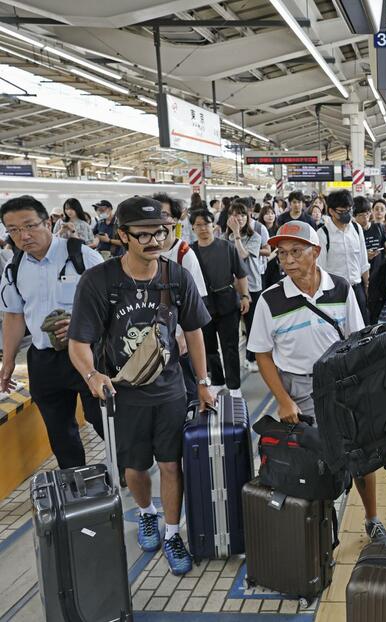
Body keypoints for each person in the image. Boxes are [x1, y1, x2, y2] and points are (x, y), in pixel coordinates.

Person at [68, 196, 213, 577]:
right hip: (122, 394)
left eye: (161, 232)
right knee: (135, 467)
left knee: (170, 463)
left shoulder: (175, 276)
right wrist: (92, 376)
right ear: (122, 236)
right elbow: (78, 342)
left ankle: (170, 531)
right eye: (143, 234)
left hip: (170, 391)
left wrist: (202, 381)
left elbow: (195, 331)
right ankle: (145, 513)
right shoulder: (99, 281)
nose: (154, 241)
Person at [247, 220, 386, 545]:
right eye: (282, 254)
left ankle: (371, 519)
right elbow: (263, 354)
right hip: (298, 390)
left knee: (360, 455)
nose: (287, 260)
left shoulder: (341, 289)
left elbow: (357, 341)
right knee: (314, 461)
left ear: (316, 252)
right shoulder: (270, 300)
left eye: (296, 252)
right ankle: (321, 525)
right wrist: (284, 400)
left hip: (341, 387)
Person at [0, 195, 105, 468]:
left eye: (30, 226)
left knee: (102, 418)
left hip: (87, 354)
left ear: (48, 222)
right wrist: (8, 362)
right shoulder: (14, 268)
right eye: (13, 230)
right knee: (60, 430)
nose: (23, 236)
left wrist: (83, 323)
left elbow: (112, 304)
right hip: (44, 359)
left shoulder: (82, 256)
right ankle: (77, 488)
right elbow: (14, 315)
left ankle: (132, 469)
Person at [155, 193, 208, 404]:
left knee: (186, 392)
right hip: (151, 342)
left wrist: (183, 336)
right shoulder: (144, 252)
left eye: (165, 215)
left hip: (178, 340)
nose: (159, 220)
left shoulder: (184, 254)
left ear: (175, 221)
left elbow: (197, 302)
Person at [190, 210, 250, 398]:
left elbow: (240, 274)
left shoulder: (227, 247)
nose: (203, 229)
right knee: (208, 347)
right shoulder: (190, 252)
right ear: (193, 228)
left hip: (227, 302)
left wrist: (245, 296)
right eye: (198, 225)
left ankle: (234, 385)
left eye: (206, 224)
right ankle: (217, 380)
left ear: (214, 226)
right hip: (202, 305)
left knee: (230, 346)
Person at [223, 201, 264, 373]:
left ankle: (250, 357)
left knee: (252, 325)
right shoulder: (223, 239)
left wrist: (237, 235)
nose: (239, 218)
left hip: (252, 287)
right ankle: (231, 365)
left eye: (242, 215)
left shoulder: (255, 237)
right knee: (231, 329)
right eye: (235, 214)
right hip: (230, 290)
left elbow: (243, 255)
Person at [318, 190, 370, 323]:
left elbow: (363, 261)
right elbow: (320, 268)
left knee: (361, 327)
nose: (346, 214)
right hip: (334, 291)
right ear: (331, 211)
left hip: (356, 288)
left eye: (349, 210)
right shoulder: (323, 234)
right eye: (342, 211)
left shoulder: (357, 229)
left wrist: (367, 285)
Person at [355, 196, 386, 274]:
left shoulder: (379, 227)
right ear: (354, 216)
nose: (365, 218)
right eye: (361, 215)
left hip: (380, 272)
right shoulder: (353, 232)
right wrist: (365, 256)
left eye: (367, 214)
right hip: (361, 273)